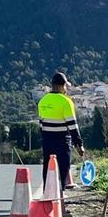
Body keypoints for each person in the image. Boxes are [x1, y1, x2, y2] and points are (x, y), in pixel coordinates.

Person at [37, 71, 84, 202]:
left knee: (48, 166)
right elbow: (73, 125)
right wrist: (79, 144)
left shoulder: (42, 101)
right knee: (63, 167)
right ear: (62, 86)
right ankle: (59, 195)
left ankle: (47, 194)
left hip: (47, 139)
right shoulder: (66, 101)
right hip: (62, 140)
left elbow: (41, 124)